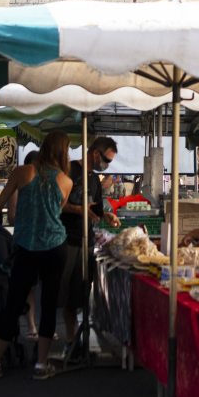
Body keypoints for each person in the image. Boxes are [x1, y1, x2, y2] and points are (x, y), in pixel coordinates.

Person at [0, 131, 73, 379]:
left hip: (27, 246)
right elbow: (57, 212)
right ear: (63, 153)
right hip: (55, 246)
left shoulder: (23, 172)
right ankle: (41, 364)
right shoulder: (66, 181)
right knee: (49, 304)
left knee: (14, 302)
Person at [60, 135, 120, 340]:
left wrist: (107, 215)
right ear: (95, 153)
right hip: (66, 240)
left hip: (87, 242)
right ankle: (69, 338)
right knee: (66, 294)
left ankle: (78, 339)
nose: (107, 165)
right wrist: (79, 210)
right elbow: (58, 204)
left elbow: (97, 209)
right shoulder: (68, 170)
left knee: (81, 293)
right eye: (107, 160)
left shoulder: (94, 179)